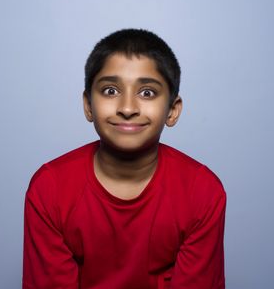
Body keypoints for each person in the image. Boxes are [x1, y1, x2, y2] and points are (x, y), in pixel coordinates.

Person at [23, 29, 226, 289]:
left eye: (147, 93)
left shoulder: (202, 192)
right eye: (110, 90)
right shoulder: (50, 189)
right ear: (88, 105)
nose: (127, 108)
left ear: (172, 111)